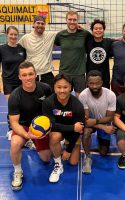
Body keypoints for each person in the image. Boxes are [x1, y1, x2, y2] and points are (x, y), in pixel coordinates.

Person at [8, 61, 52, 191]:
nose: (28, 78)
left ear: (36, 74)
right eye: (24, 75)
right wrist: (27, 134)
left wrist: (48, 128)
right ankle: (18, 172)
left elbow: (51, 109)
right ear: (19, 77)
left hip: (40, 127)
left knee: (46, 159)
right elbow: (14, 122)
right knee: (15, 143)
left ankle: (32, 143)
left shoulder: (45, 89)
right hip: (24, 127)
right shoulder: (15, 96)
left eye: (30, 74)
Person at [42, 73, 85, 183]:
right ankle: (58, 164)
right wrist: (72, 127)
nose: (62, 90)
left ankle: (65, 144)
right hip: (59, 131)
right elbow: (50, 125)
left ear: (70, 87)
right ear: (54, 87)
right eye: (59, 87)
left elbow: (78, 130)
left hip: (72, 134)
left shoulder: (78, 105)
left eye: (65, 87)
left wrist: (69, 150)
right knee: (54, 136)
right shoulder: (48, 102)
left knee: (73, 162)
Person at [79, 70, 116, 174]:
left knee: (103, 153)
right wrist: (103, 127)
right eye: (91, 83)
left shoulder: (110, 95)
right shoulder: (83, 95)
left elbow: (110, 118)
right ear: (87, 83)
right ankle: (88, 157)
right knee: (86, 133)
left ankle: (101, 137)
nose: (94, 86)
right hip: (92, 123)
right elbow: (86, 121)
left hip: (102, 121)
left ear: (102, 82)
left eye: (97, 83)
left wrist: (97, 122)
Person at [54, 10, 91, 96]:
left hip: (79, 73)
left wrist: (84, 28)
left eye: (74, 20)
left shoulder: (84, 34)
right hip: (64, 72)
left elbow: (95, 38)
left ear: (77, 21)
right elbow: (55, 44)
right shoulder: (60, 35)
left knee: (80, 99)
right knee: (64, 97)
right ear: (66, 20)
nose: (72, 22)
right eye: (70, 19)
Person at [0, 26, 26, 139]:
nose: (13, 36)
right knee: (12, 106)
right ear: (7, 35)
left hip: (21, 82)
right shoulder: (2, 49)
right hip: (8, 82)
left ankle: (22, 128)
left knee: (22, 106)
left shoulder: (21, 49)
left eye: (16, 34)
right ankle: (11, 130)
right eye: (11, 34)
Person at [19, 15, 57, 90]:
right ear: (33, 24)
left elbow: (67, 33)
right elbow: (15, 49)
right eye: (38, 23)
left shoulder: (50, 35)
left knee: (51, 97)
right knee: (31, 97)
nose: (40, 25)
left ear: (45, 25)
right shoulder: (26, 38)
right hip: (31, 74)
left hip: (47, 72)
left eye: (42, 23)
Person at [86, 19, 114, 89]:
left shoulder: (109, 42)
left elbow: (123, 40)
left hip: (104, 79)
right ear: (92, 31)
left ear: (103, 30)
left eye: (100, 28)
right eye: (96, 29)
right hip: (90, 78)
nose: (98, 30)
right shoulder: (87, 42)